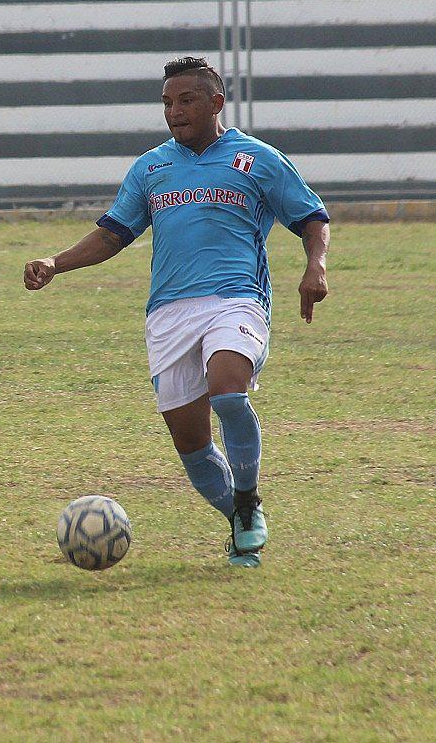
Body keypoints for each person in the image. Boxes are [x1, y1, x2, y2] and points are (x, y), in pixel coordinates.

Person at [23, 56, 329, 568]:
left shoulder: (258, 160)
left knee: (228, 386)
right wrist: (56, 262)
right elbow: (113, 233)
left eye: (186, 100)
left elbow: (312, 218)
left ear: (216, 102)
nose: (174, 112)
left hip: (236, 299)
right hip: (169, 313)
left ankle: (248, 500)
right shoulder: (151, 167)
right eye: (167, 102)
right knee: (191, 445)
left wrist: (315, 268)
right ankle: (239, 522)